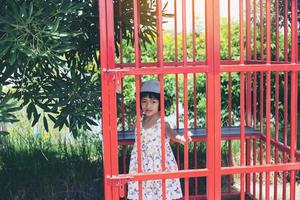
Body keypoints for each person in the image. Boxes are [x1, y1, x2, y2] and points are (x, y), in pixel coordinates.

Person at [127, 79, 190, 200]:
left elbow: (172, 134)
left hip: (159, 165)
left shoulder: (162, 123)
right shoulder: (140, 121)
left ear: (160, 103)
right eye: (144, 101)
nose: (148, 105)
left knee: (160, 194)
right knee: (144, 194)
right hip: (141, 165)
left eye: (153, 102)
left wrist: (182, 139)